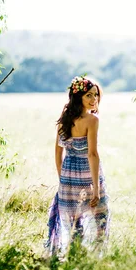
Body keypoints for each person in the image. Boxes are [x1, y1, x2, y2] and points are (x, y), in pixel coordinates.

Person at [45, 76, 110, 256]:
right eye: (89, 95)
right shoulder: (92, 120)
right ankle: (97, 257)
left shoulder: (64, 119)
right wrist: (96, 189)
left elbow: (58, 153)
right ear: (78, 96)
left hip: (68, 176)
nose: (94, 99)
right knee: (101, 218)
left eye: (96, 95)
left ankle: (75, 256)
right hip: (88, 175)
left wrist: (62, 180)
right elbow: (92, 154)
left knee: (74, 222)